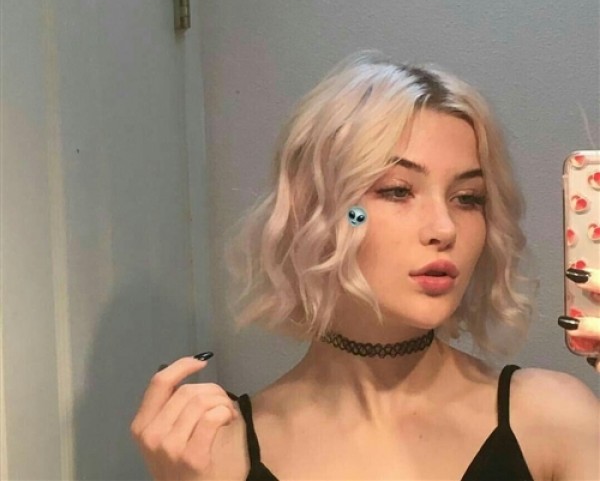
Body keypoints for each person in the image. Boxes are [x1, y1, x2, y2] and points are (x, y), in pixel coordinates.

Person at [131, 51, 599, 481]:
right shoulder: (219, 450)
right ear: (317, 211)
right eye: (397, 191)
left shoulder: (552, 420)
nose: (444, 228)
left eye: (467, 198)